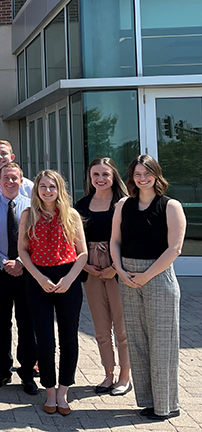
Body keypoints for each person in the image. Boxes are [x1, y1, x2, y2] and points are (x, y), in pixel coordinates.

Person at [111, 155, 185, 421]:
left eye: (147, 173)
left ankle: (166, 406)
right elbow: (115, 241)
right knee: (139, 343)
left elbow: (174, 248)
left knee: (162, 344)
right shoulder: (123, 205)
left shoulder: (170, 206)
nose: (142, 178)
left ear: (156, 174)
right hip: (128, 277)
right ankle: (149, 401)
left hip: (158, 276)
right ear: (131, 177)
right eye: (137, 174)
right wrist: (120, 270)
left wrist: (146, 275)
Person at [19, 169, 87, 416]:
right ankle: (49, 390)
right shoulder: (28, 215)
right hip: (38, 280)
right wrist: (40, 278)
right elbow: (23, 250)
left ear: (60, 189)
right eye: (43, 186)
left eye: (52, 186)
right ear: (36, 189)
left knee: (69, 338)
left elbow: (83, 253)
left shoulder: (72, 215)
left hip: (68, 278)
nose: (48, 191)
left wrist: (69, 279)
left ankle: (63, 391)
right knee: (46, 340)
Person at [75, 157, 131, 396]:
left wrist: (115, 267)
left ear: (114, 176)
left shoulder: (125, 203)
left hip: (117, 268)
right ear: (90, 177)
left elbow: (130, 238)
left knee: (122, 327)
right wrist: (85, 265)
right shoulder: (82, 204)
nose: (100, 179)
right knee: (100, 327)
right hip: (91, 270)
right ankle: (108, 374)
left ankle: (124, 377)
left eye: (105, 174)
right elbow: (73, 239)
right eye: (95, 174)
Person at [0, 163, 38, 395]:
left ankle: (27, 373)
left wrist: (21, 263)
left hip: (27, 274)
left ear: (21, 180)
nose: (10, 182)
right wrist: (3, 262)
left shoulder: (33, 207)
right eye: (5, 178)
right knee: (0, 323)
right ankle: (2, 370)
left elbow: (37, 241)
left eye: (14, 178)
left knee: (27, 324)